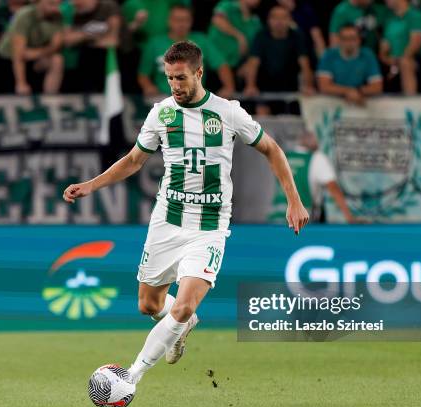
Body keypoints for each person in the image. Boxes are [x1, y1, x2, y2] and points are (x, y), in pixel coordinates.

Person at [62, 40, 309, 383]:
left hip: (209, 226)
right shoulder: (161, 113)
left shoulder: (228, 112)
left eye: (181, 78)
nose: (175, 86)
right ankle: (183, 326)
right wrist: (91, 184)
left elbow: (272, 149)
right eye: (170, 78)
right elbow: (134, 160)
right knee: (149, 305)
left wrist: (293, 200)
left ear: (199, 73)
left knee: (184, 305)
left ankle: (130, 377)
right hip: (167, 219)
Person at [138, 4, 235, 99]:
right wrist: (148, 87)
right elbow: (143, 75)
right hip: (163, 98)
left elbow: (222, 65)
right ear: (169, 21)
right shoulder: (154, 43)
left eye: (185, 20)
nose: (181, 24)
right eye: (177, 20)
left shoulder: (202, 41)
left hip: (195, 98)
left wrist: (229, 87)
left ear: (191, 21)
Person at [269, 132, 360, 224]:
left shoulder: (285, 157)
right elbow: (333, 188)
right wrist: (349, 217)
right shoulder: (317, 158)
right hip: (300, 218)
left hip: (276, 216)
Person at [243, 5, 315, 114]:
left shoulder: (297, 36)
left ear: (290, 20)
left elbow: (304, 64)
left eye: (283, 17)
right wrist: (250, 85)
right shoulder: (261, 36)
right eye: (275, 17)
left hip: (290, 88)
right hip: (264, 87)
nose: (279, 21)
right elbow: (253, 63)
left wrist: (308, 86)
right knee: (261, 119)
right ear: (268, 20)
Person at [0, 0, 64, 95]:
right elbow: (18, 54)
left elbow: (56, 46)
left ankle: (50, 99)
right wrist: (21, 83)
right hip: (7, 61)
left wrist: (32, 53)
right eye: (51, 4)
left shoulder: (57, 16)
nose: (55, 8)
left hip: (33, 57)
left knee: (57, 60)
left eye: (58, 4)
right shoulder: (24, 15)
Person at [318, 23, 383, 105]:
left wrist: (358, 91)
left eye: (352, 38)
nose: (348, 42)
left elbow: (377, 87)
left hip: (360, 100)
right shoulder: (329, 56)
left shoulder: (368, 55)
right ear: (339, 40)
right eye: (344, 39)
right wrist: (348, 91)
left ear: (359, 40)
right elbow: (324, 86)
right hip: (333, 102)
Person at [379, 0, 421, 95]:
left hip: (414, 60)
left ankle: (410, 103)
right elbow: (383, 50)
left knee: (406, 63)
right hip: (392, 61)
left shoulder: (416, 16)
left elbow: (415, 45)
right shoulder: (390, 20)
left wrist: (397, 63)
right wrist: (389, 60)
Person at [208, 0, 262, 69]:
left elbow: (253, 48)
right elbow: (217, 20)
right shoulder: (227, 5)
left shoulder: (256, 22)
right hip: (214, 63)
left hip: (236, 65)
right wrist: (240, 36)